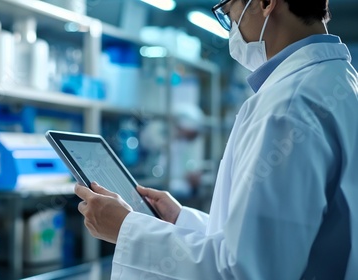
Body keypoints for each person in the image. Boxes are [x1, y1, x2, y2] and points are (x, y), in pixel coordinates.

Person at [74, 0, 358, 278]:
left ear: (266, 3)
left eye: (229, 13)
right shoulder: (338, 82)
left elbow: (246, 270)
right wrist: (181, 220)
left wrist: (127, 229)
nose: (232, 27)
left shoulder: (287, 106)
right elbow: (276, 237)